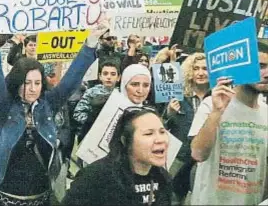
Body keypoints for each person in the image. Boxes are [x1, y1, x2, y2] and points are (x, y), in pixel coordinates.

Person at [0, 15, 107, 206]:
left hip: (41, 195)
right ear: (16, 83)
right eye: (26, 83)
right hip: (5, 195)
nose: (32, 88)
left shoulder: (48, 104)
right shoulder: (4, 107)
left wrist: (92, 40)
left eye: (37, 83)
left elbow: (72, 79)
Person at [189, 40, 268, 205]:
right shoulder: (211, 104)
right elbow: (198, 154)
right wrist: (217, 112)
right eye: (260, 66)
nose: (266, 73)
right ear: (241, 68)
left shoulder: (266, 112)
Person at [63, 106, 172, 205]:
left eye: (162, 132)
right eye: (149, 134)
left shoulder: (163, 178)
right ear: (125, 140)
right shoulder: (96, 177)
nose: (160, 140)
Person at [161, 52, 210, 203]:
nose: (200, 73)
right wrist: (169, 113)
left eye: (204, 68)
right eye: (196, 68)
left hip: (206, 159)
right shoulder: (177, 95)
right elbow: (160, 126)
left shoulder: (218, 97)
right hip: (180, 158)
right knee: (172, 197)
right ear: (189, 72)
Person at [72, 61, 121, 142]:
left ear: (118, 77)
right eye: (105, 74)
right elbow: (78, 113)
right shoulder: (91, 92)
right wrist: (93, 122)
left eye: (113, 74)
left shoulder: (121, 95)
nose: (109, 77)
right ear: (100, 76)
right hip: (92, 135)